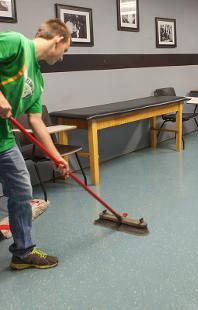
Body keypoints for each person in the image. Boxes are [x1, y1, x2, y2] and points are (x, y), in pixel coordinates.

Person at [0, 19, 71, 270]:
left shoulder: (38, 80)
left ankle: (23, 252)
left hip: (4, 140)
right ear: (59, 40)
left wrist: (55, 157)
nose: (62, 57)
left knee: (21, 191)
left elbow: (36, 121)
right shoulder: (16, 43)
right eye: (66, 50)